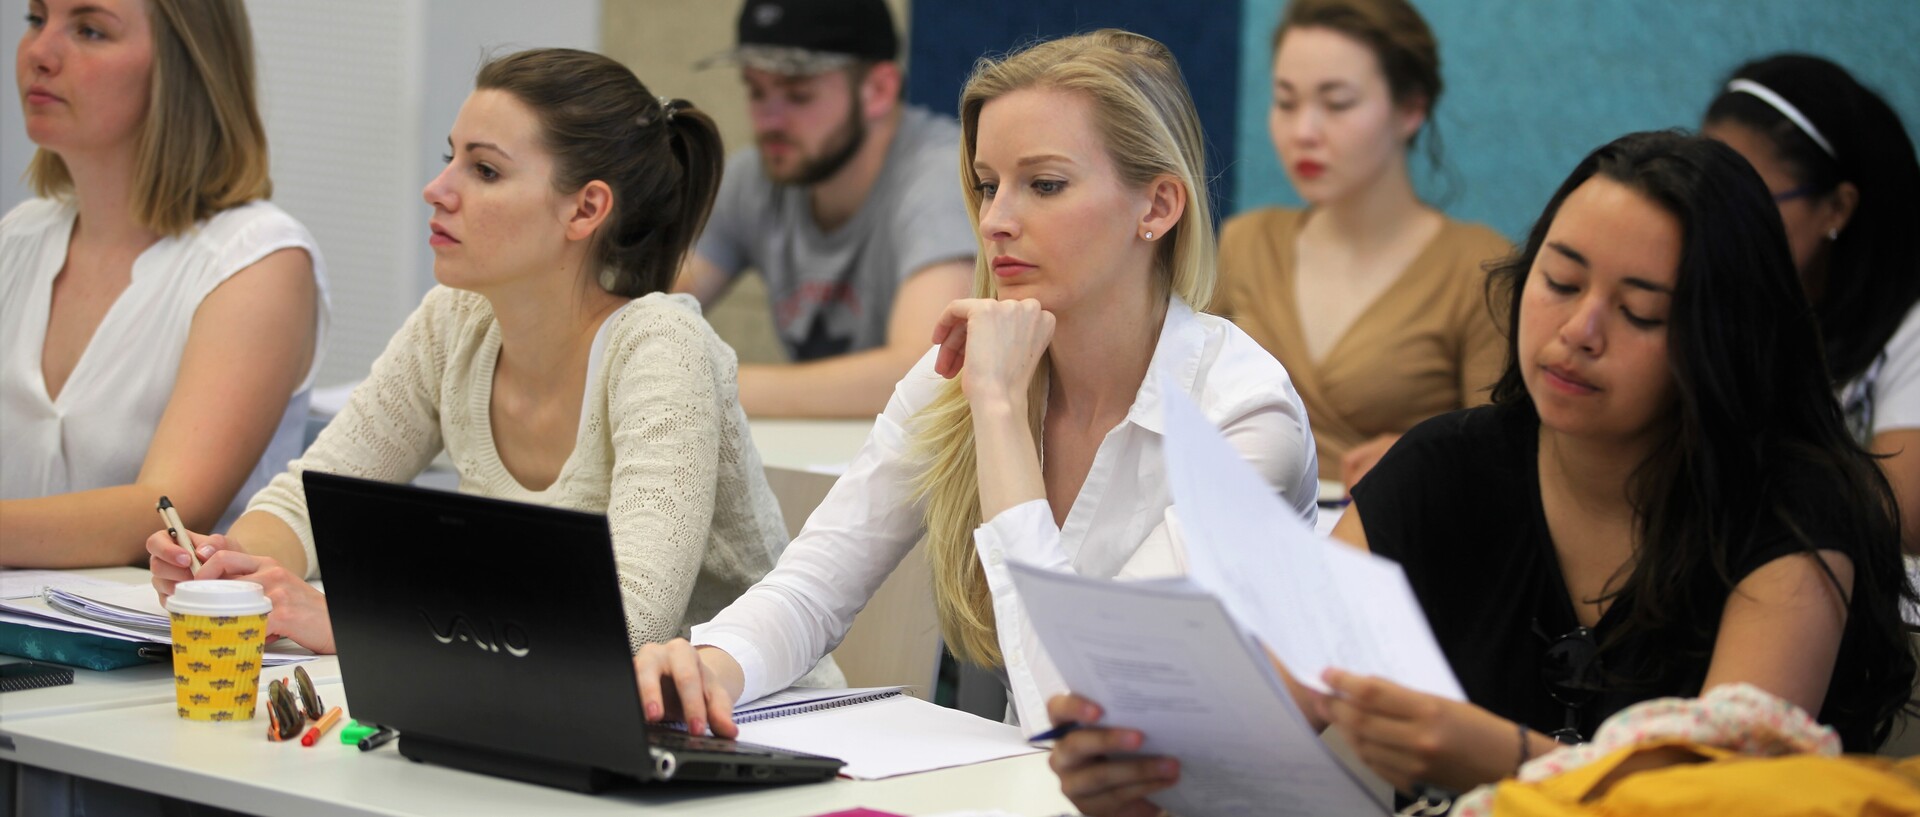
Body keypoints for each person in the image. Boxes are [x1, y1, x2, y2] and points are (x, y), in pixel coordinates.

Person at [1046, 131, 1917, 813]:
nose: (1580, 329)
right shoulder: (1445, 468)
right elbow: (1281, 702)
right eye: (1561, 280)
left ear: (1726, 339)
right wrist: (1146, 767)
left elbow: (1730, 797)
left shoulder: (1793, 516)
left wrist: (1501, 759)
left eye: (1640, 311)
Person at [632, 29, 1318, 738]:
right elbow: (811, 588)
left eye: (1044, 185)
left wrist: (997, 409)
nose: (995, 221)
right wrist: (708, 667)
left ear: (1158, 207)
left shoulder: (1245, 415)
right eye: (988, 185)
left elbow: (1085, 705)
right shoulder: (974, 365)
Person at [143, 50, 826, 674]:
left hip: (754, 726)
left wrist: (359, 621)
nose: (437, 189)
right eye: (450, 158)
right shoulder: (455, 319)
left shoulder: (660, 345)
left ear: (586, 209)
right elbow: (310, 499)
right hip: (539, 701)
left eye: (485, 169)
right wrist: (238, 570)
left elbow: (627, 620)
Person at [1, 0, 327, 567]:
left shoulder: (255, 259)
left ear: (183, 70)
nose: (39, 53)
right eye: (35, 19)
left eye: (89, 30)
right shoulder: (18, 238)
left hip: (180, 647)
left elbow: (165, 512)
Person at [1216, 0, 1508, 491]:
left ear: (1411, 108)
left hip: (1391, 548)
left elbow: (1505, 460)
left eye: (1337, 104)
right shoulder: (1246, 242)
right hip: (1240, 533)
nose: (1303, 132)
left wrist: (1425, 458)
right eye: (1286, 102)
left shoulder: (1478, 269)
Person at [676, 0, 975, 418]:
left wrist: (692, 386)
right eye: (756, 91)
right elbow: (648, 308)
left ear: (879, 91)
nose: (770, 121)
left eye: (798, 94)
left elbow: (926, 371)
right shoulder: (755, 177)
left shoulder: (942, 174)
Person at [1702, 55, 1920, 554]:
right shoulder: (1723, 306)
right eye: (1706, 193)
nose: (1714, 222)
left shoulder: (1910, 330)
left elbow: (1900, 513)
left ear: (1836, 208)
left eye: (1749, 199)